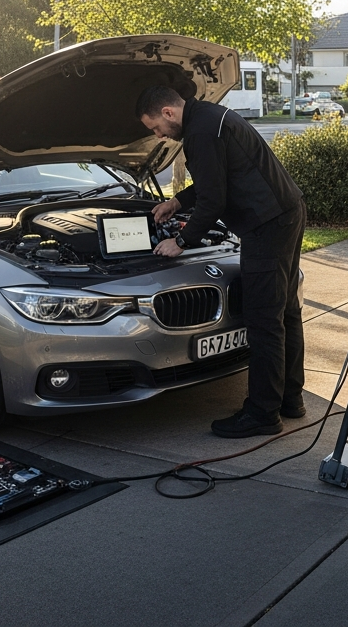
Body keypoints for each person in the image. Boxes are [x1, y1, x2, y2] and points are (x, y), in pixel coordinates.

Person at [136, 85, 307, 438]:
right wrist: (177, 203)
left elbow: (214, 199)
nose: (159, 136)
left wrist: (181, 241)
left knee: (263, 320)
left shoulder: (200, 132)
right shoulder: (210, 118)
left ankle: (262, 413)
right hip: (286, 211)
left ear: (168, 113)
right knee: (285, 310)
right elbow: (215, 179)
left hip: (265, 224)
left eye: (156, 127)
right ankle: (290, 399)